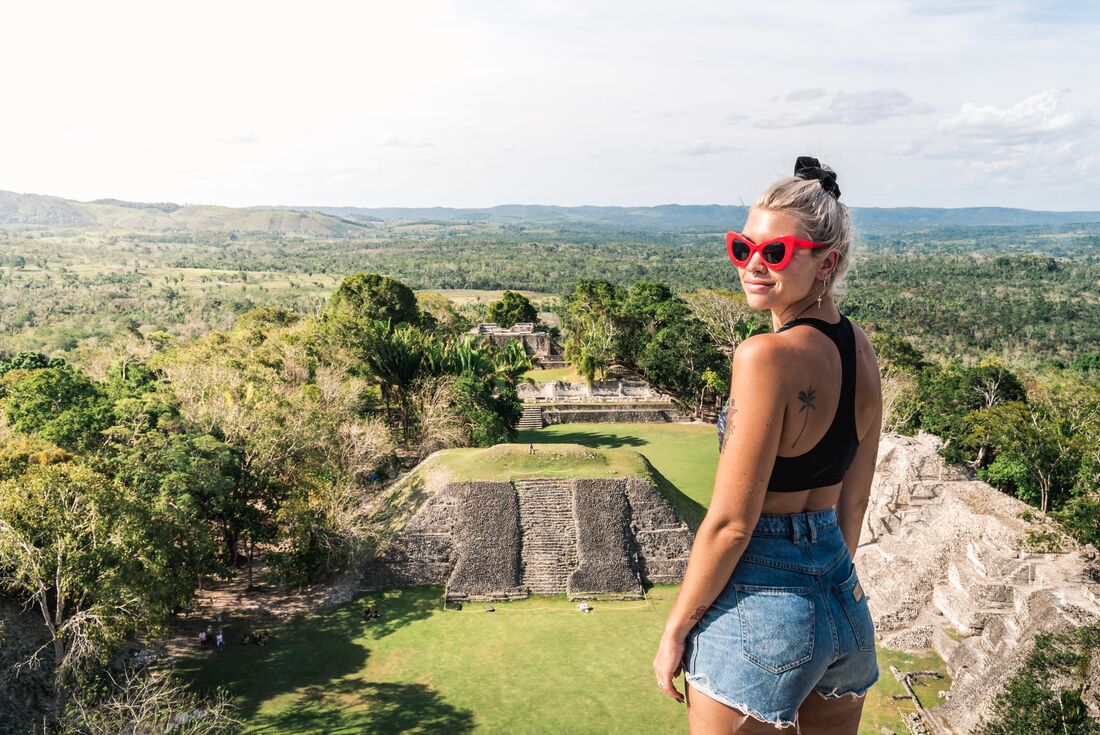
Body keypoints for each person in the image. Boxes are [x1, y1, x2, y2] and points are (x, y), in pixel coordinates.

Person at [653, 157, 881, 734]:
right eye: (743, 247)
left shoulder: (765, 356)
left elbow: (732, 524)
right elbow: (854, 502)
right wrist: (826, 587)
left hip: (764, 599)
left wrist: (676, 628)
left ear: (827, 263)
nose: (753, 264)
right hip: (844, 600)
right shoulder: (861, 349)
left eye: (775, 252)